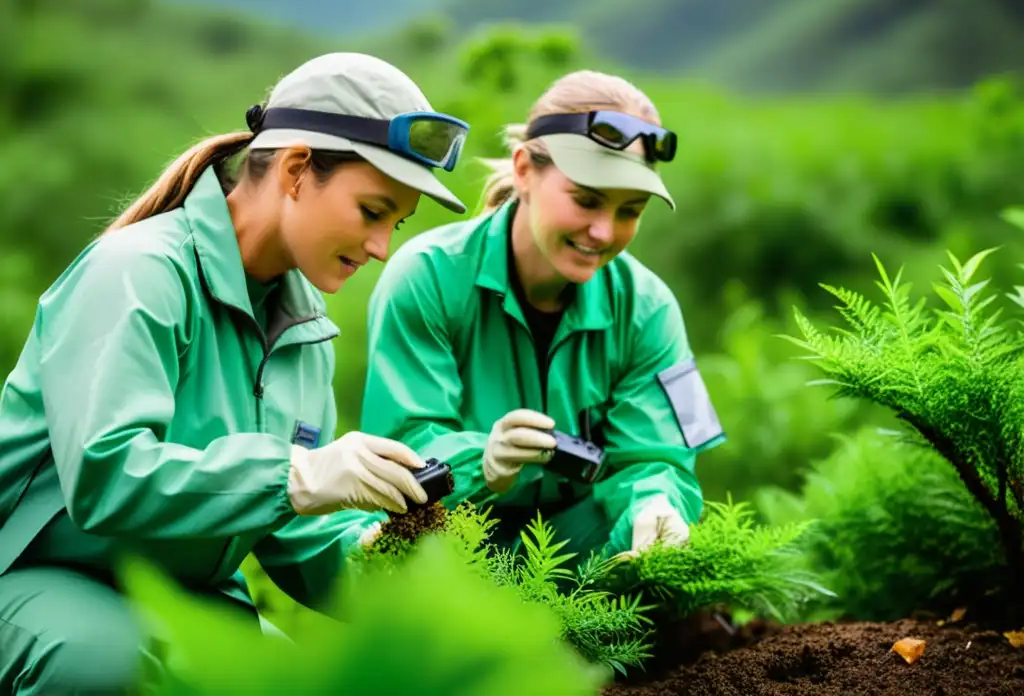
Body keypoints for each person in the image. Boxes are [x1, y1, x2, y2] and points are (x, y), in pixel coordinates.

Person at [0, 51, 470, 694]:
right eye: (372, 211)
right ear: (299, 169)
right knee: (104, 664)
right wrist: (299, 473)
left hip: (179, 596)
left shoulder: (306, 335)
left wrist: (375, 558)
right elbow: (107, 476)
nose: (382, 247)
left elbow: (292, 534)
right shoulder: (137, 273)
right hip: (33, 576)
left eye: (398, 223)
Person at [359, 69, 726, 566]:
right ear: (525, 170)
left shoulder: (649, 308)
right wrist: (481, 462)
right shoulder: (426, 277)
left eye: (630, 210)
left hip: (586, 558)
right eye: (587, 200)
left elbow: (662, 458)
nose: (602, 231)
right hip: (456, 544)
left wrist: (656, 505)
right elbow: (403, 446)